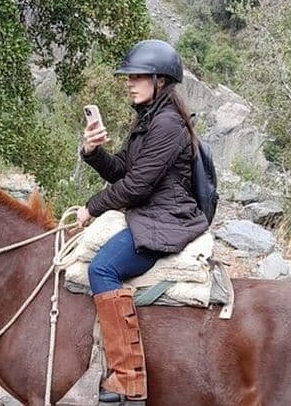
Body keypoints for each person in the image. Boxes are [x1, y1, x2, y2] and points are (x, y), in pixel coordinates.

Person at [76, 39, 209, 403]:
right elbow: (121, 170)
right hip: (148, 213)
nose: (130, 83)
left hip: (166, 220)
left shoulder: (167, 125)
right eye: (129, 76)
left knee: (102, 269)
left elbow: (135, 186)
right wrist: (93, 152)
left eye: (138, 76)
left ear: (160, 80)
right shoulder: (146, 119)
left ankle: (125, 379)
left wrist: (91, 208)